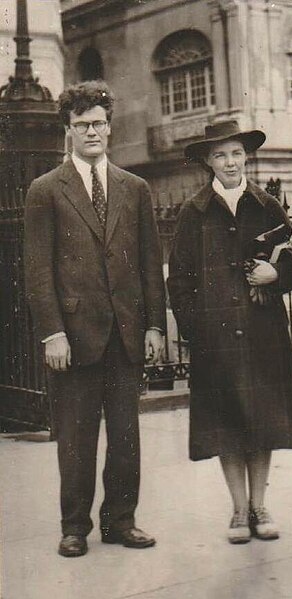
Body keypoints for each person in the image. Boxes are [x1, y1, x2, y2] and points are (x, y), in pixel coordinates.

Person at [24, 80, 166, 557]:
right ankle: (74, 527)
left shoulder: (135, 187)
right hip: (74, 336)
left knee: (126, 436)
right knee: (77, 439)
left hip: (126, 333)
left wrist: (153, 325)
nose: (92, 132)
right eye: (82, 124)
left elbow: (150, 262)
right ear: (68, 129)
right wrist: (52, 333)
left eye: (99, 123)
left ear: (110, 126)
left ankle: (122, 520)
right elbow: (38, 269)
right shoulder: (45, 189)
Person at [167, 120, 292, 544]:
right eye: (219, 155)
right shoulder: (193, 211)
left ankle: (259, 505)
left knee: (262, 420)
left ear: (245, 156)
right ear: (208, 162)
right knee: (227, 422)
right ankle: (236, 509)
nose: (229, 162)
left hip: (263, 331)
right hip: (217, 338)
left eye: (235, 153)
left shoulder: (267, 205)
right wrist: (197, 331)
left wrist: (276, 276)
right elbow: (179, 279)